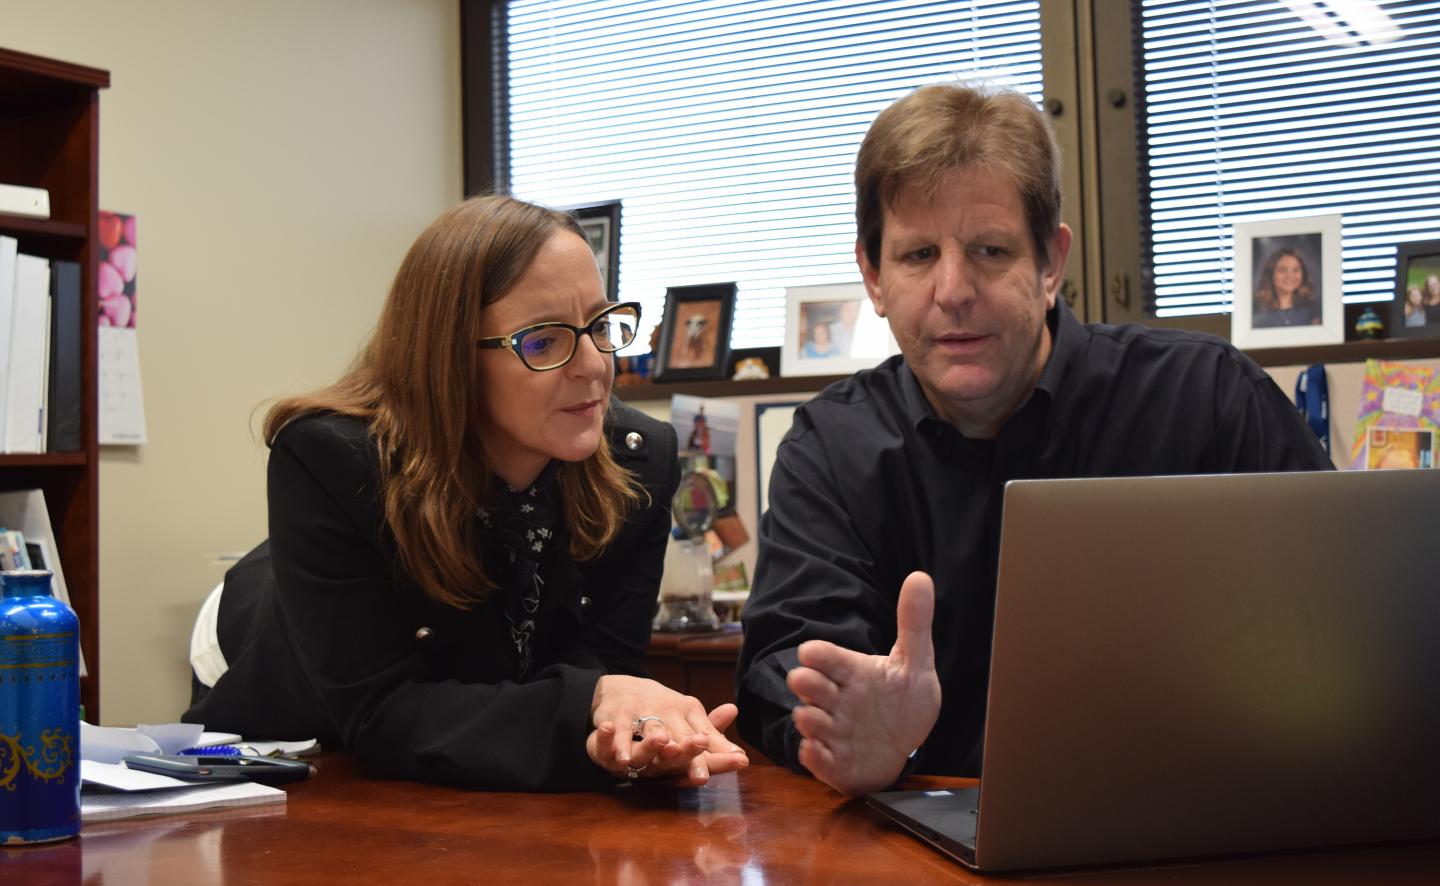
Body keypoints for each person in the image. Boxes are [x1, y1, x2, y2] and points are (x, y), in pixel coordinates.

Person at [735, 83, 1334, 796]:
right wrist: (843, 726)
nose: (953, 290)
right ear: (874, 277)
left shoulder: (1209, 398)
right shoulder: (829, 449)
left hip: (1204, 819)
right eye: (918, 254)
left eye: (990, 250)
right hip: (917, 834)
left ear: (1051, 263)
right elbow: (784, 658)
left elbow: (1343, 621)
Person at [185, 195, 747, 791]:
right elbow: (380, 712)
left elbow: (605, 668)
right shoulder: (330, 458)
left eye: (601, 326)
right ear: (450, 356)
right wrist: (589, 702)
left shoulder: (640, 460)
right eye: (544, 341)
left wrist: (624, 732)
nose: (593, 366)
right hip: (281, 676)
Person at [1252, 247, 1320, 328]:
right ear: (1270, 274)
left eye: (1296, 270)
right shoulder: (1255, 311)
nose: (1290, 276)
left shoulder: (1314, 311)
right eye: (1283, 270)